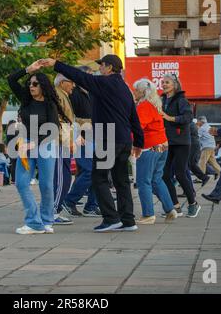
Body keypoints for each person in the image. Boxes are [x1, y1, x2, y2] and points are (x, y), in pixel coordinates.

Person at [40, 54, 144, 232]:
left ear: (110, 68)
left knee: (99, 178)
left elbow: (81, 77)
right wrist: (139, 142)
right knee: (121, 181)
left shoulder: (105, 83)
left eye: (101, 65)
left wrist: (56, 64)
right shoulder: (125, 88)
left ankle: (111, 219)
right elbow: (134, 116)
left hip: (108, 139)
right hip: (124, 140)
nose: (99, 69)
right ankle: (128, 221)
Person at [7, 60, 70, 235]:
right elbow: (11, 80)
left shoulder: (49, 105)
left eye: (35, 84)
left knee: (46, 185)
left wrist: (32, 143)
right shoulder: (25, 100)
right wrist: (28, 70)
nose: (31, 86)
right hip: (26, 144)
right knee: (21, 183)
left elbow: (53, 128)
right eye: (29, 83)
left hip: (46, 145)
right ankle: (34, 221)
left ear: (43, 86)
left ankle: (46, 220)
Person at [132, 79, 178, 225]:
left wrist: (131, 142)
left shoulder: (144, 106)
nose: (134, 93)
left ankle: (148, 214)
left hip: (150, 146)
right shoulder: (155, 104)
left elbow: (138, 128)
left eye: (136, 90)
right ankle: (170, 209)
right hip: (162, 145)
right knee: (156, 179)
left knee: (143, 181)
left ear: (143, 92)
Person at [60, 66, 101, 218]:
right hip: (80, 139)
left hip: (93, 137)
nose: (91, 79)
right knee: (90, 170)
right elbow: (68, 117)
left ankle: (91, 205)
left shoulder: (90, 94)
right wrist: (77, 132)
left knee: (97, 171)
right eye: (88, 76)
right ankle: (69, 201)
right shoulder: (73, 94)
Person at [160, 74, 201, 218]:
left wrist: (170, 118)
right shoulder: (162, 99)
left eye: (167, 82)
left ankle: (193, 203)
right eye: (163, 82)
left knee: (180, 173)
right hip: (167, 142)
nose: (164, 84)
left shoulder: (181, 100)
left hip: (182, 142)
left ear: (175, 85)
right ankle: (176, 206)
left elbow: (188, 117)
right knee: (163, 174)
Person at [52, 73, 77, 221]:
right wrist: (67, 141)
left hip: (63, 141)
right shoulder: (58, 94)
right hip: (60, 142)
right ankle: (54, 211)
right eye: (71, 82)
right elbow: (58, 121)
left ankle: (55, 208)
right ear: (62, 83)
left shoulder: (63, 95)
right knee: (62, 177)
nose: (73, 85)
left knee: (64, 176)